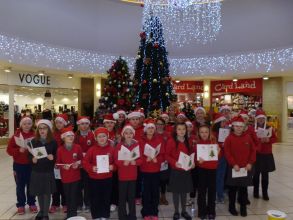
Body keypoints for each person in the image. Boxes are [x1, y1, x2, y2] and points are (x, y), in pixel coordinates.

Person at [224, 116, 256, 217]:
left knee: (243, 189)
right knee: (232, 190)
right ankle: (231, 207)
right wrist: (234, 164)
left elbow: (253, 151)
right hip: (233, 168)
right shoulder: (229, 138)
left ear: (244, 127)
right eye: (236, 126)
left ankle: (243, 208)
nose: (238, 128)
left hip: (245, 168)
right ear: (233, 127)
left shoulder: (248, 138)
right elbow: (227, 153)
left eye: (240, 126)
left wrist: (250, 163)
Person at [6, 116, 38, 215]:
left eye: (29, 123)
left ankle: (32, 203)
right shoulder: (16, 136)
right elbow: (9, 150)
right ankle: (20, 205)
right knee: (20, 186)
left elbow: (39, 148)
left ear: (31, 124)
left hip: (32, 165)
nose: (27, 125)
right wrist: (18, 150)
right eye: (24, 124)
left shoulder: (35, 135)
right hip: (19, 165)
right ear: (21, 125)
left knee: (31, 185)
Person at [82, 127, 116, 220]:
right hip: (94, 179)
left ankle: (105, 215)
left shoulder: (112, 149)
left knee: (106, 197)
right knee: (95, 198)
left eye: (104, 136)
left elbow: (116, 162)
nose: (102, 138)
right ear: (96, 138)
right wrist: (91, 168)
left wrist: (113, 167)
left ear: (107, 137)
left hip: (107, 178)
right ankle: (96, 215)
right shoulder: (92, 149)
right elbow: (85, 162)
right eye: (99, 136)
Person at [28, 119, 58, 220]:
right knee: (40, 192)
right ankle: (41, 211)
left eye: (44, 128)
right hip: (37, 171)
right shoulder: (33, 141)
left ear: (48, 129)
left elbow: (57, 155)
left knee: (47, 193)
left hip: (47, 171)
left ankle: (45, 213)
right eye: (40, 128)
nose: (42, 130)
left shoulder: (53, 142)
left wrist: (53, 158)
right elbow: (29, 156)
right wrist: (33, 159)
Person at [166, 123, 194, 220]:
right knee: (176, 192)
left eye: (183, 129)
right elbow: (167, 155)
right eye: (179, 129)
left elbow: (191, 154)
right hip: (176, 170)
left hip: (186, 170)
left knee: (184, 192)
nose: (181, 131)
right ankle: (176, 211)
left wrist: (192, 162)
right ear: (176, 131)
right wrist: (174, 162)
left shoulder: (188, 141)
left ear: (186, 131)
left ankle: (184, 211)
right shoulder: (171, 141)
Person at [114, 124, 142, 220]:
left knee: (131, 197)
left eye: (130, 133)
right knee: (122, 197)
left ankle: (132, 215)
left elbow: (141, 159)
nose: (128, 135)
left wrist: (135, 162)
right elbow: (116, 160)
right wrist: (123, 163)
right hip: (122, 176)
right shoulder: (119, 146)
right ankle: (122, 216)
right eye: (126, 133)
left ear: (133, 134)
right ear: (123, 135)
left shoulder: (136, 145)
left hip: (133, 176)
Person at [140, 119, 165, 220]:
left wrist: (157, 159)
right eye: (149, 128)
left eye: (152, 128)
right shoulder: (141, 141)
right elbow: (138, 155)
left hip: (155, 170)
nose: (150, 129)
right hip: (145, 170)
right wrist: (145, 159)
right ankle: (145, 212)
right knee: (146, 193)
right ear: (145, 130)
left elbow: (163, 155)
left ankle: (154, 212)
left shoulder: (159, 140)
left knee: (155, 192)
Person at [56, 126, 83, 219]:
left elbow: (82, 160)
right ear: (63, 138)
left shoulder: (78, 147)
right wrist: (63, 166)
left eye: (72, 136)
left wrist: (78, 164)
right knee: (68, 196)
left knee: (74, 195)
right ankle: (69, 215)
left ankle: (73, 214)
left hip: (76, 176)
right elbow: (57, 164)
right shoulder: (60, 149)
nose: (71, 137)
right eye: (68, 136)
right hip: (65, 177)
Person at [195, 125, 220, 220]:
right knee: (201, 191)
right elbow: (194, 158)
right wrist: (198, 161)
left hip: (212, 169)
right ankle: (202, 211)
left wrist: (218, 152)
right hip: (201, 169)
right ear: (199, 133)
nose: (204, 134)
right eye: (202, 132)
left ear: (209, 132)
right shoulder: (197, 143)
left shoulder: (213, 142)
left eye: (206, 132)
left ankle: (211, 211)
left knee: (212, 191)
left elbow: (218, 157)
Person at [253, 109, 277, 201]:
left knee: (265, 175)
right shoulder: (253, 129)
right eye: (259, 119)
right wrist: (259, 141)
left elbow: (275, 139)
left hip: (266, 154)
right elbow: (251, 140)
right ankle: (255, 192)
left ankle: (265, 193)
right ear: (256, 119)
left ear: (265, 119)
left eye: (263, 119)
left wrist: (268, 140)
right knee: (255, 175)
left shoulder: (269, 128)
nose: (261, 120)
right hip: (257, 154)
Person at [74, 116, 95, 212]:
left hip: (88, 165)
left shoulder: (92, 135)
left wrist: (87, 156)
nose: (84, 126)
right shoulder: (74, 136)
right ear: (78, 125)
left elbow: (94, 148)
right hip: (78, 165)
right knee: (78, 184)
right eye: (82, 124)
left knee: (88, 185)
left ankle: (88, 203)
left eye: (86, 123)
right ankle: (78, 204)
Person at [50, 114, 68, 214]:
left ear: (64, 123)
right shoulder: (52, 134)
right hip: (54, 164)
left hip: (65, 164)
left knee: (64, 184)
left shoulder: (68, 134)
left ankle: (65, 203)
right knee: (55, 185)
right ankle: (55, 203)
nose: (58, 124)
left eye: (60, 122)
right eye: (56, 122)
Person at [128, 111, 144, 205]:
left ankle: (137, 196)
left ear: (139, 120)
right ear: (129, 120)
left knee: (138, 178)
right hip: (128, 159)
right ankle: (129, 196)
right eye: (133, 119)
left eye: (136, 119)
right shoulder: (126, 130)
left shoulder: (143, 130)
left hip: (139, 158)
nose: (135, 121)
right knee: (129, 178)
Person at [212, 113, 229, 203]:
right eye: (222, 122)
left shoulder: (226, 132)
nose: (224, 124)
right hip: (216, 158)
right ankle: (215, 194)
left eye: (225, 122)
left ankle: (220, 194)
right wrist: (219, 145)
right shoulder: (213, 134)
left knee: (221, 176)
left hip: (223, 157)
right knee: (216, 177)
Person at [103, 113, 119, 212]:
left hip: (114, 163)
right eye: (107, 123)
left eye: (111, 123)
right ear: (104, 124)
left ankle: (113, 202)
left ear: (114, 124)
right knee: (104, 184)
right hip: (103, 163)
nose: (109, 124)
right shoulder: (100, 133)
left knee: (114, 183)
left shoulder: (117, 135)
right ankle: (105, 201)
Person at [155, 117, 171, 205]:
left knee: (163, 180)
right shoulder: (153, 134)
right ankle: (156, 197)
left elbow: (169, 148)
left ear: (164, 125)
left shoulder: (167, 135)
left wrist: (166, 159)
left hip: (164, 161)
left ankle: (163, 196)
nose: (159, 126)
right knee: (156, 179)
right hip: (155, 160)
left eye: (161, 124)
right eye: (158, 124)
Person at [185, 120, 198, 206]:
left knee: (193, 181)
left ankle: (192, 198)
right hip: (184, 162)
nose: (188, 128)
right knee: (185, 181)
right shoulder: (181, 137)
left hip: (194, 163)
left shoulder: (195, 137)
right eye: (186, 127)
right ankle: (185, 198)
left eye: (190, 126)